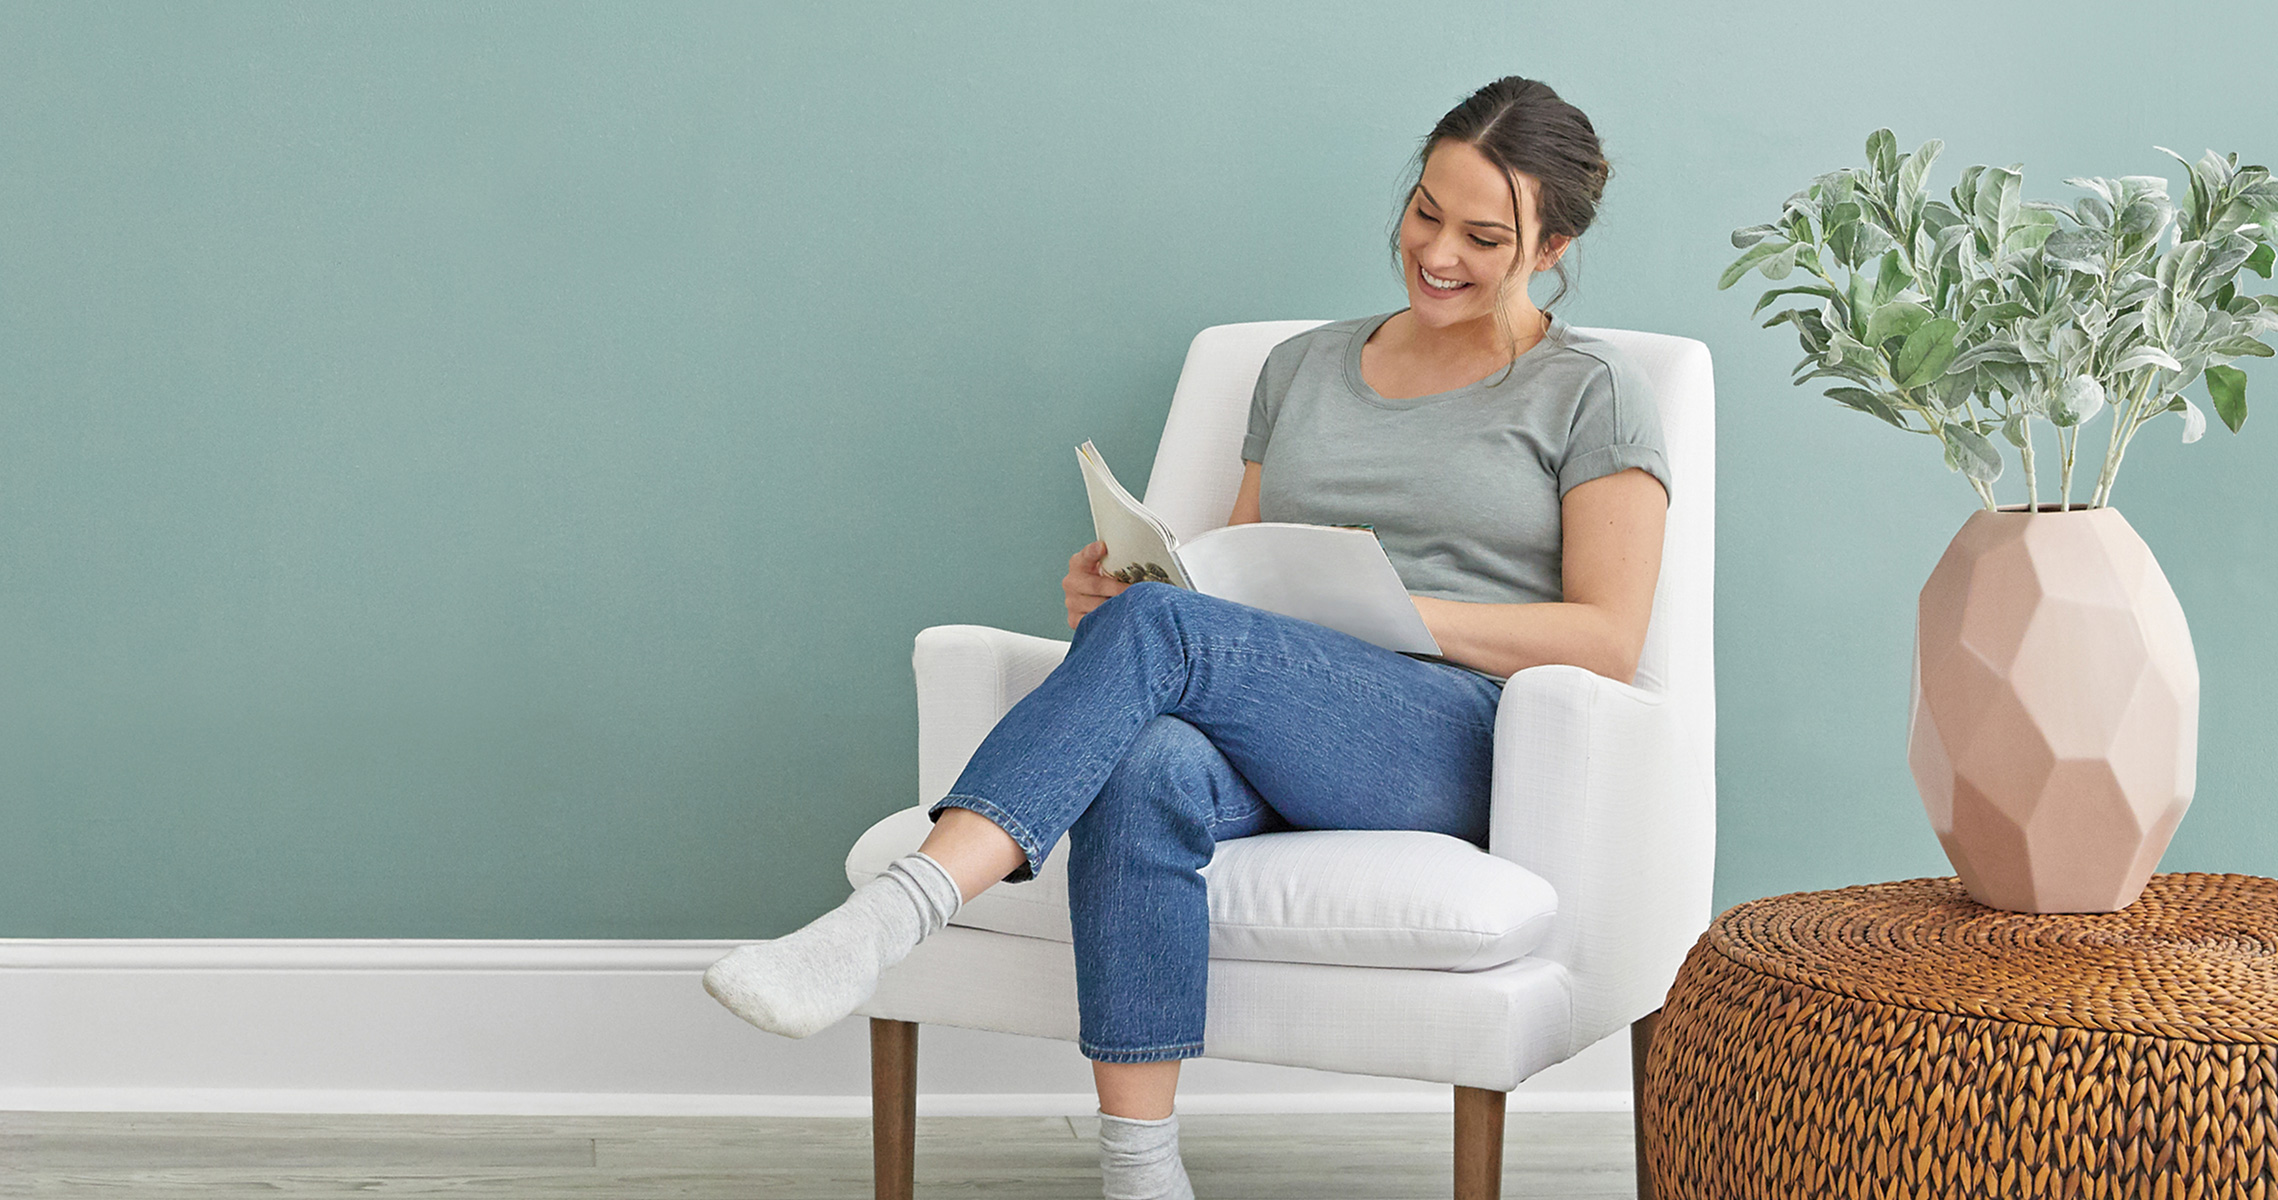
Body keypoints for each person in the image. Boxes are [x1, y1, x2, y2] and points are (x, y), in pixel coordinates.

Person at [704, 76, 1668, 1200]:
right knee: (1146, 760)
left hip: (1446, 738)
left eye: (1483, 236)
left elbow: (1606, 638)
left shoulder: (1591, 392)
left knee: (1170, 634)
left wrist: (1397, 617)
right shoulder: (1302, 367)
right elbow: (1236, 573)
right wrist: (1128, 592)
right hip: (1279, 719)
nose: (1437, 251)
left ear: (1551, 246)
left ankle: (894, 914)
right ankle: (1140, 1172)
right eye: (1424, 211)